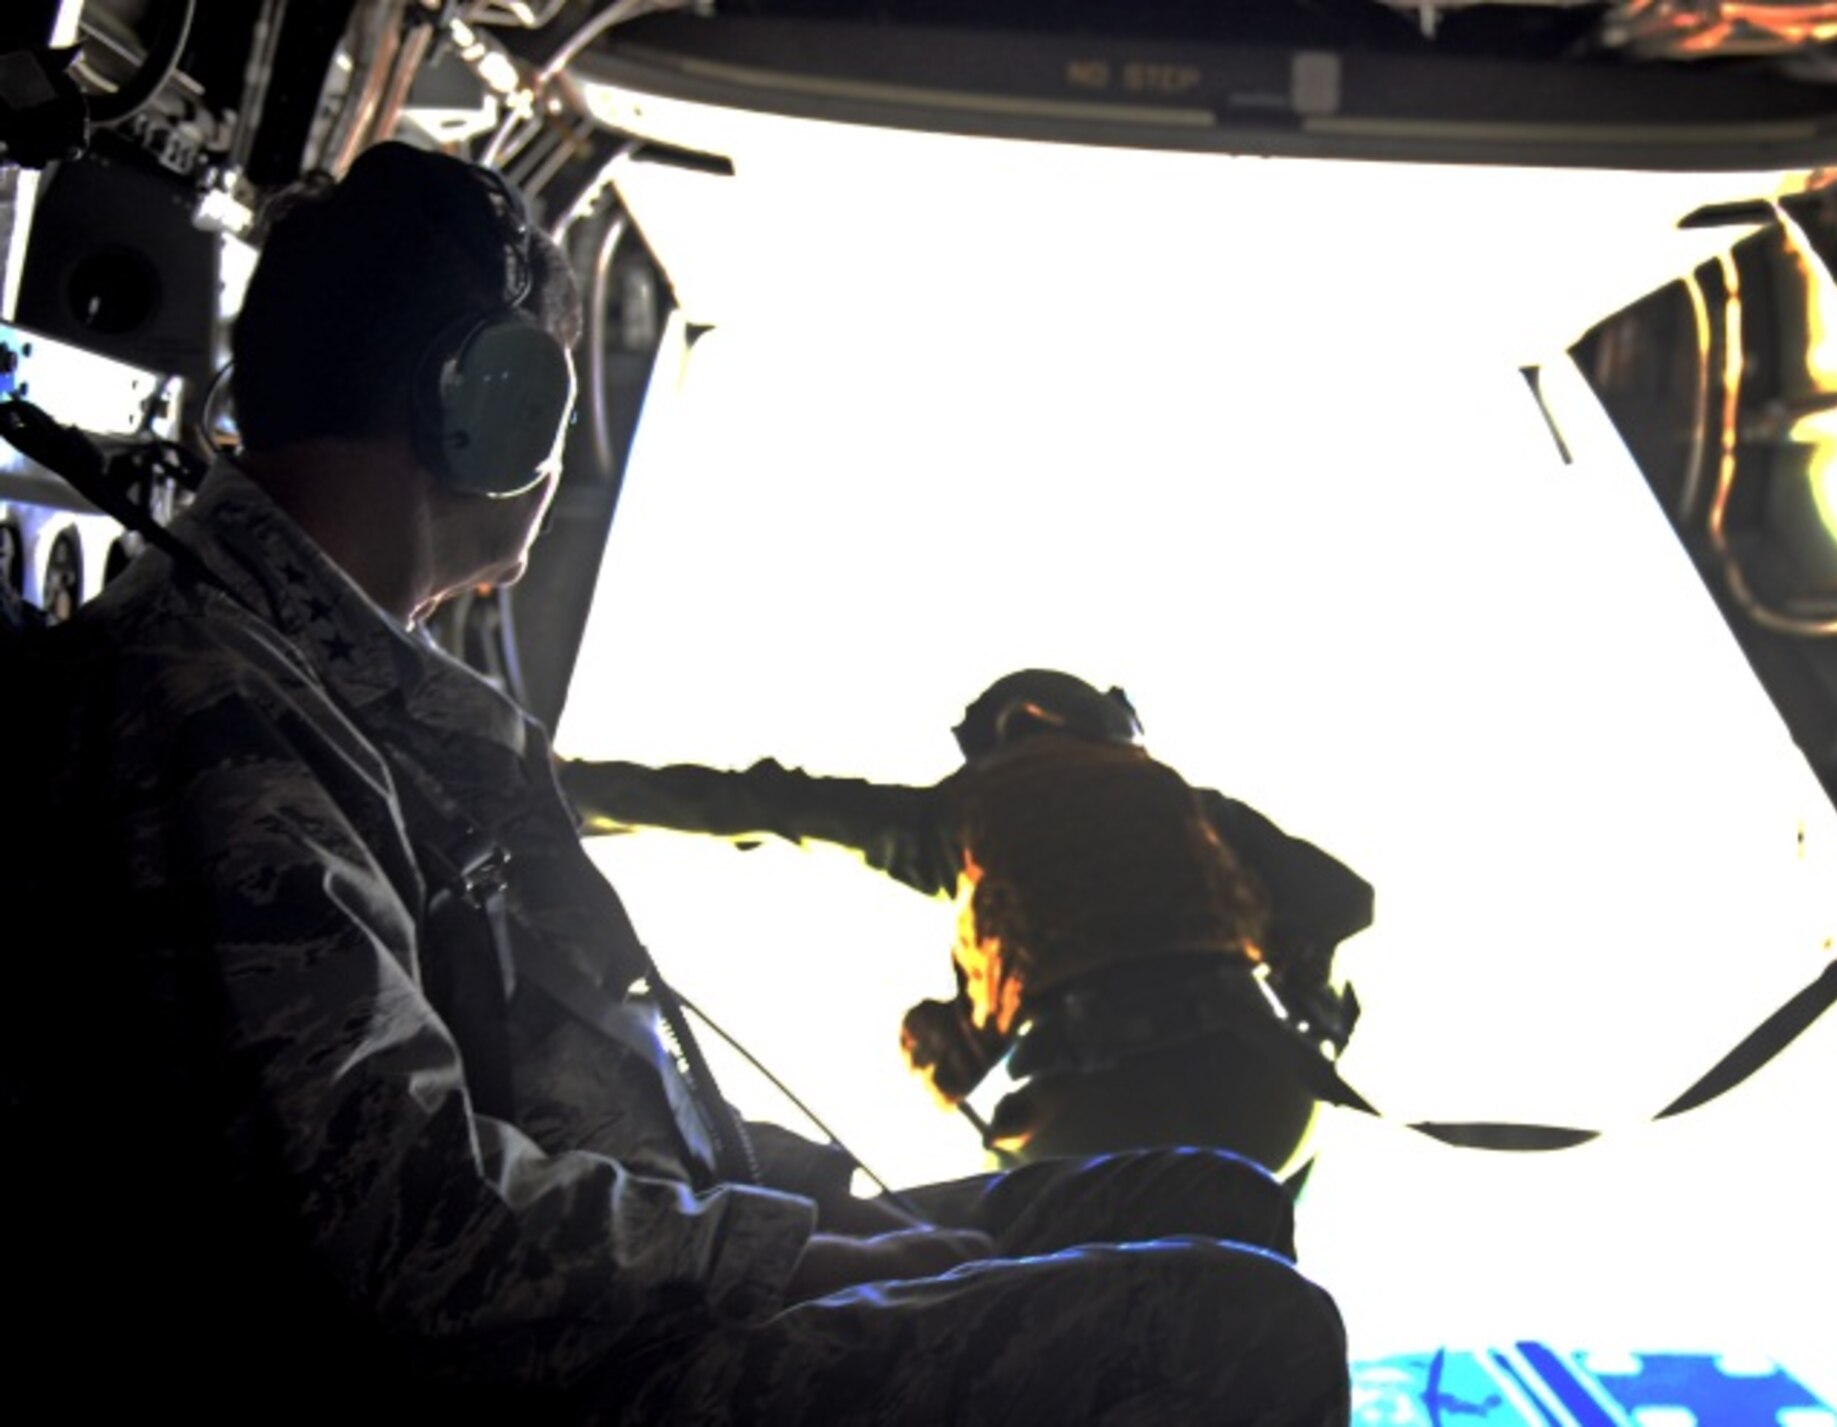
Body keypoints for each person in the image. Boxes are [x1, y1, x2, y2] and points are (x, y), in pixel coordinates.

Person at [7, 143, 1349, 1423]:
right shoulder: (216, 708)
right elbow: (402, 1234)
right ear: (494, 399)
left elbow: (583, 1076)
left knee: (1219, 1197)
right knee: (1237, 1328)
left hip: (657, 1258)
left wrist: (831, 1209)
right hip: (570, 1364)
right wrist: (801, 1257)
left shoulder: (345, 683)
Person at [562, 670, 1375, 1173]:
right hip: (1265, 1100)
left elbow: (759, 802)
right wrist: (1305, 996)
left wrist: (571, 790)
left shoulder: (961, 816)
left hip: (1083, 1122)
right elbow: (1345, 900)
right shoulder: (1188, 806)